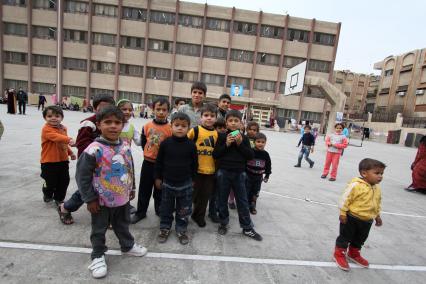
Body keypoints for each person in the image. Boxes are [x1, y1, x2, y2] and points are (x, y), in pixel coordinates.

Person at [77, 106, 147, 279]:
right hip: (100, 201)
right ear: (99, 125)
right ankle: (98, 255)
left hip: (122, 197)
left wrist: (132, 188)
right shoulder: (93, 149)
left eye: (117, 122)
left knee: (123, 224)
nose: (113, 126)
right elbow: (82, 177)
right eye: (108, 122)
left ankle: (127, 246)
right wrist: (90, 199)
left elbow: (129, 168)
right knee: (99, 229)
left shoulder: (124, 146)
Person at [57, 94, 115, 224]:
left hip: (105, 165)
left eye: (108, 108)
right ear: (95, 109)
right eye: (101, 108)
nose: (105, 111)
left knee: (104, 187)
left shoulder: (111, 122)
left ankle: (107, 216)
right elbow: (82, 144)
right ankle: (65, 207)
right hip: (90, 164)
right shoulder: (88, 123)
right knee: (88, 190)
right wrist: (93, 158)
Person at [213, 110, 262, 241]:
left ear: (241, 123)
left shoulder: (245, 138)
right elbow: (216, 154)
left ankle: (247, 227)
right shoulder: (222, 137)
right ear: (226, 123)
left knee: (242, 201)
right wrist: (227, 144)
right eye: (230, 121)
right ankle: (223, 223)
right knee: (222, 199)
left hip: (240, 174)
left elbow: (250, 156)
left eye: (236, 121)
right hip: (224, 173)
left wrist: (240, 144)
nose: (233, 123)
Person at [334, 158, 385, 271]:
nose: (380, 176)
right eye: (377, 173)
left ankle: (354, 253)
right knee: (345, 237)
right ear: (364, 173)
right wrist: (343, 213)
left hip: (367, 220)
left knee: (360, 239)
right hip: (351, 218)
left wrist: (377, 216)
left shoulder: (377, 188)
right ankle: (339, 253)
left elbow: (377, 203)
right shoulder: (356, 185)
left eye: (381, 173)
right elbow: (345, 199)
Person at [155, 112, 198, 245]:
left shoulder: (191, 145)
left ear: (188, 128)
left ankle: (181, 229)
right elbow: (159, 162)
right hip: (167, 183)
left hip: (186, 184)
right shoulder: (165, 144)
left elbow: (195, 164)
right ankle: (165, 228)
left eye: (183, 126)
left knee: (184, 209)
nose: (180, 128)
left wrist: (193, 179)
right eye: (177, 125)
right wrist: (157, 178)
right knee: (166, 208)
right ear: (171, 126)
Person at [131, 98, 172, 224]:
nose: (161, 112)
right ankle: (141, 212)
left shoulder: (170, 128)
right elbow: (143, 143)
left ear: (168, 112)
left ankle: (159, 210)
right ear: (153, 110)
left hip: (163, 166)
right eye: (158, 109)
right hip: (148, 163)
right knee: (144, 189)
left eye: (164, 110)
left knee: (160, 189)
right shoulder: (147, 126)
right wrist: (149, 153)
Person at [40, 106, 76, 211]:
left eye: (57, 116)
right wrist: (69, 139)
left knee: (64, 180)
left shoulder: (63, 128)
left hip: (63, 160)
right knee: (50, 182)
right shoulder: (46, 129)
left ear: (62, 117)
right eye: (49, 116)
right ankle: (47, 193)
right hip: (48, 161)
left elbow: (62, 143)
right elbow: (56, 137)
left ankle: (59, 198)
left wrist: (70, 152)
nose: (53, 118)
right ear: (45, 118)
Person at [188, 104, 218, 228]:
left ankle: (198, 216)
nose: (209, 118)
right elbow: (185, 145)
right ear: (201, 118)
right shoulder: (195, 130)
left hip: (210, 171)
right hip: (195, 171)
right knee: (190, 195)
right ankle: (183, 215)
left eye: (212, 116)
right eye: (206, 115)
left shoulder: (217, 134)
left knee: (204, 197)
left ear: (216, 118)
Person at [246, 132, 271, 215]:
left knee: (256, 192)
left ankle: (252, 206)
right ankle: (245, 206)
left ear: (265, 143)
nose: (260, 144)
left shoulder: (266, 154)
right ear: (254, 142)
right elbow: (244, 162)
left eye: (263, 142)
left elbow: (268, 166)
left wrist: (267, 175)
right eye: (258, 141)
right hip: (248, 176)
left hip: (258, 177)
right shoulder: (250, 152)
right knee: (247, 191)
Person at [208, 118, 227, 223]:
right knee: (213, 193)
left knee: (219, 192)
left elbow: (239, 132)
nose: (222, 129)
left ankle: (216, 209)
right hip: (211, 169)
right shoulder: (213, 138)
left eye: (224, 127)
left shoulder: (228, 137)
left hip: (222, 170)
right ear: (214, 128)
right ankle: (212, 212)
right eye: (219, 128)